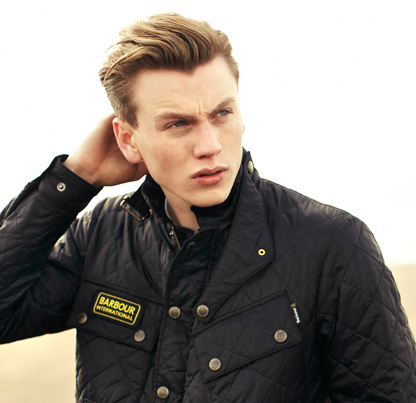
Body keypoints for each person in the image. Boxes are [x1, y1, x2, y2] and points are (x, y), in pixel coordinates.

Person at [0, 12, 414, 403]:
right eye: (178, 124)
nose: (210, 146)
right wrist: (76, 177)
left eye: (222, 113)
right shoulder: (102, 234)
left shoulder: (333, 245)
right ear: (128, 139)